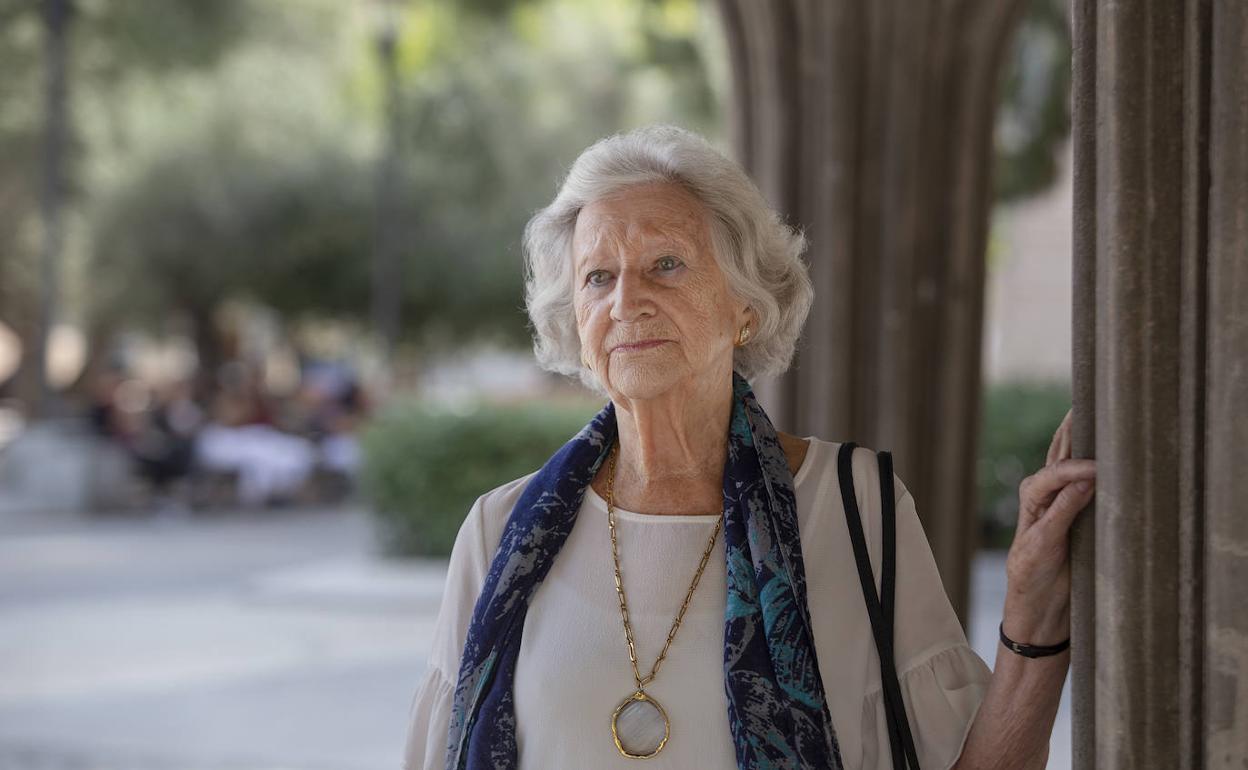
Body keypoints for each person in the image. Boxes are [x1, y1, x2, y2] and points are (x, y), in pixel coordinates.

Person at [402, 124, 1096, 770]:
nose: (625, 302)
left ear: (746, 305)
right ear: (575, 321)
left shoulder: (855, 505)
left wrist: (1035, 620)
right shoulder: (499, 532)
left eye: (666, 264)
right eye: (598, 277)